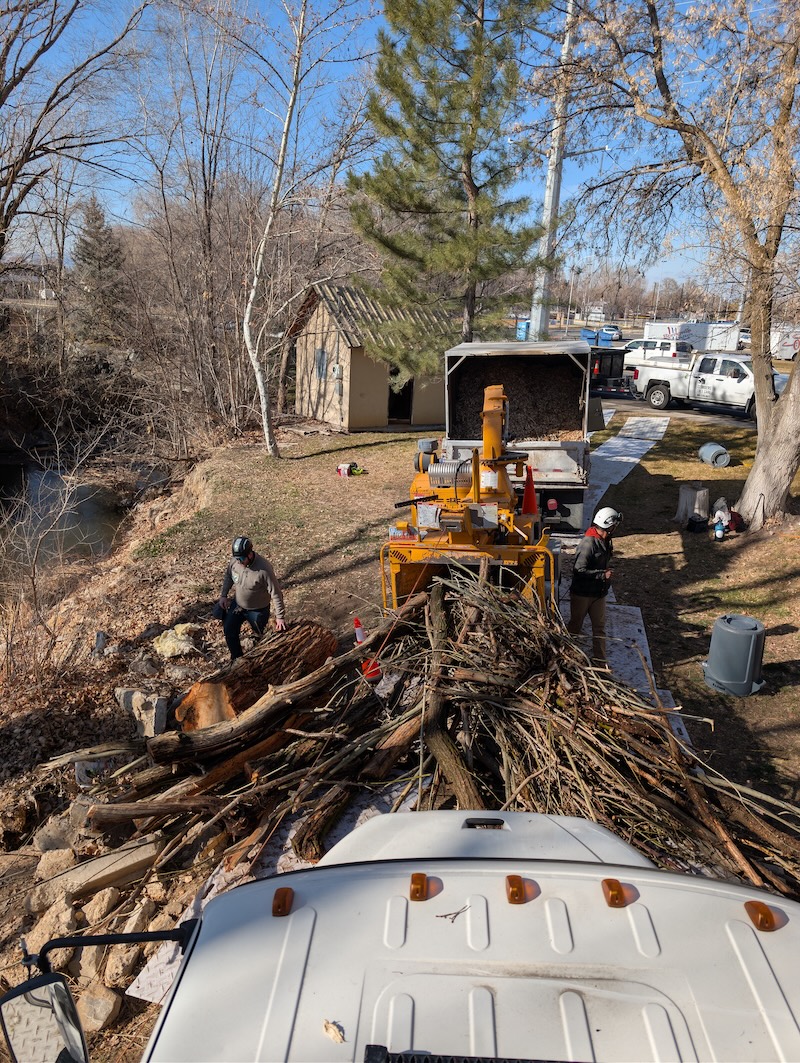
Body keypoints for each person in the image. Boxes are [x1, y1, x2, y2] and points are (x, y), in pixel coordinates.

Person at [567, 507, 622, 666]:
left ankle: (600, 662)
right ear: (609, 525)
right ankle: (567, 656)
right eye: (615, 525)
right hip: (582, 594)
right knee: (575, 626)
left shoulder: (605, 540)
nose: (616, 528)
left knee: (599, 628)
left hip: (599, 593)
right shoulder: (588, 543)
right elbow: (579, 570)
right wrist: (601, 575)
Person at [217, 535, 286, 661]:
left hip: (258, 610)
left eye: (242, 558)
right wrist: (223, 595)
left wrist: (280, 617)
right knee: (229, 630)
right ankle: (236, 658)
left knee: (260, 635)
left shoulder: (264, 569)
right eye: (237, 558)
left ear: (250, 554)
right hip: (238, 605)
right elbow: (228, 576)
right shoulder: (235, 562)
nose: (239, 562)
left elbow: (276, 593)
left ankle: (260, 660)